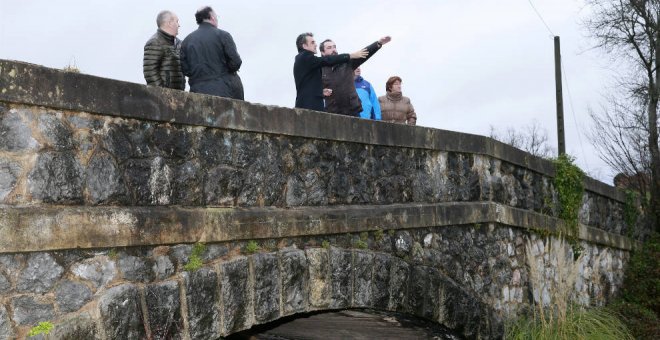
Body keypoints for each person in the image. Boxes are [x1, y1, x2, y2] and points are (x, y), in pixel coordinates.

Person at [180, 6, 244, 100]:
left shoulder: (186, 41)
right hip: (224, 90)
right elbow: (236, 62)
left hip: (197, 92)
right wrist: (224, 70)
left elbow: (185, 69)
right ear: (212, 17)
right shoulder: (223, 35)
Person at [294, 32, 368, 111]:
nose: (315, 44)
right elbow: (327, 60)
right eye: (312, 42)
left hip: (308, 105)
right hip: (308, 107)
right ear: (304, 46)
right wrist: (350, 55)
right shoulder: (305, 58)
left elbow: (308, 84)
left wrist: (320, 91)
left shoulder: (306, 60)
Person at [320, 36, 390, 116]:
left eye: (334, 47)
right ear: (322, 52)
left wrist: (378, 44)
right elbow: (313, 88)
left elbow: (363, 54)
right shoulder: (319, 69)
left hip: (352, 110)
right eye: (329, 48)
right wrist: (321, 92)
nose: (334, 50)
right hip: (332, 111)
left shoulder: (346, 62)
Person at [143, 10, 185, 90]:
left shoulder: (179, 43)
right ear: (169, 23)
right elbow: (150, 73)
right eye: (177, 21)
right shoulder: (155, 42)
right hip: (163, 98)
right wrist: (163, 94)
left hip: (179, 96)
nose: (179, 25)